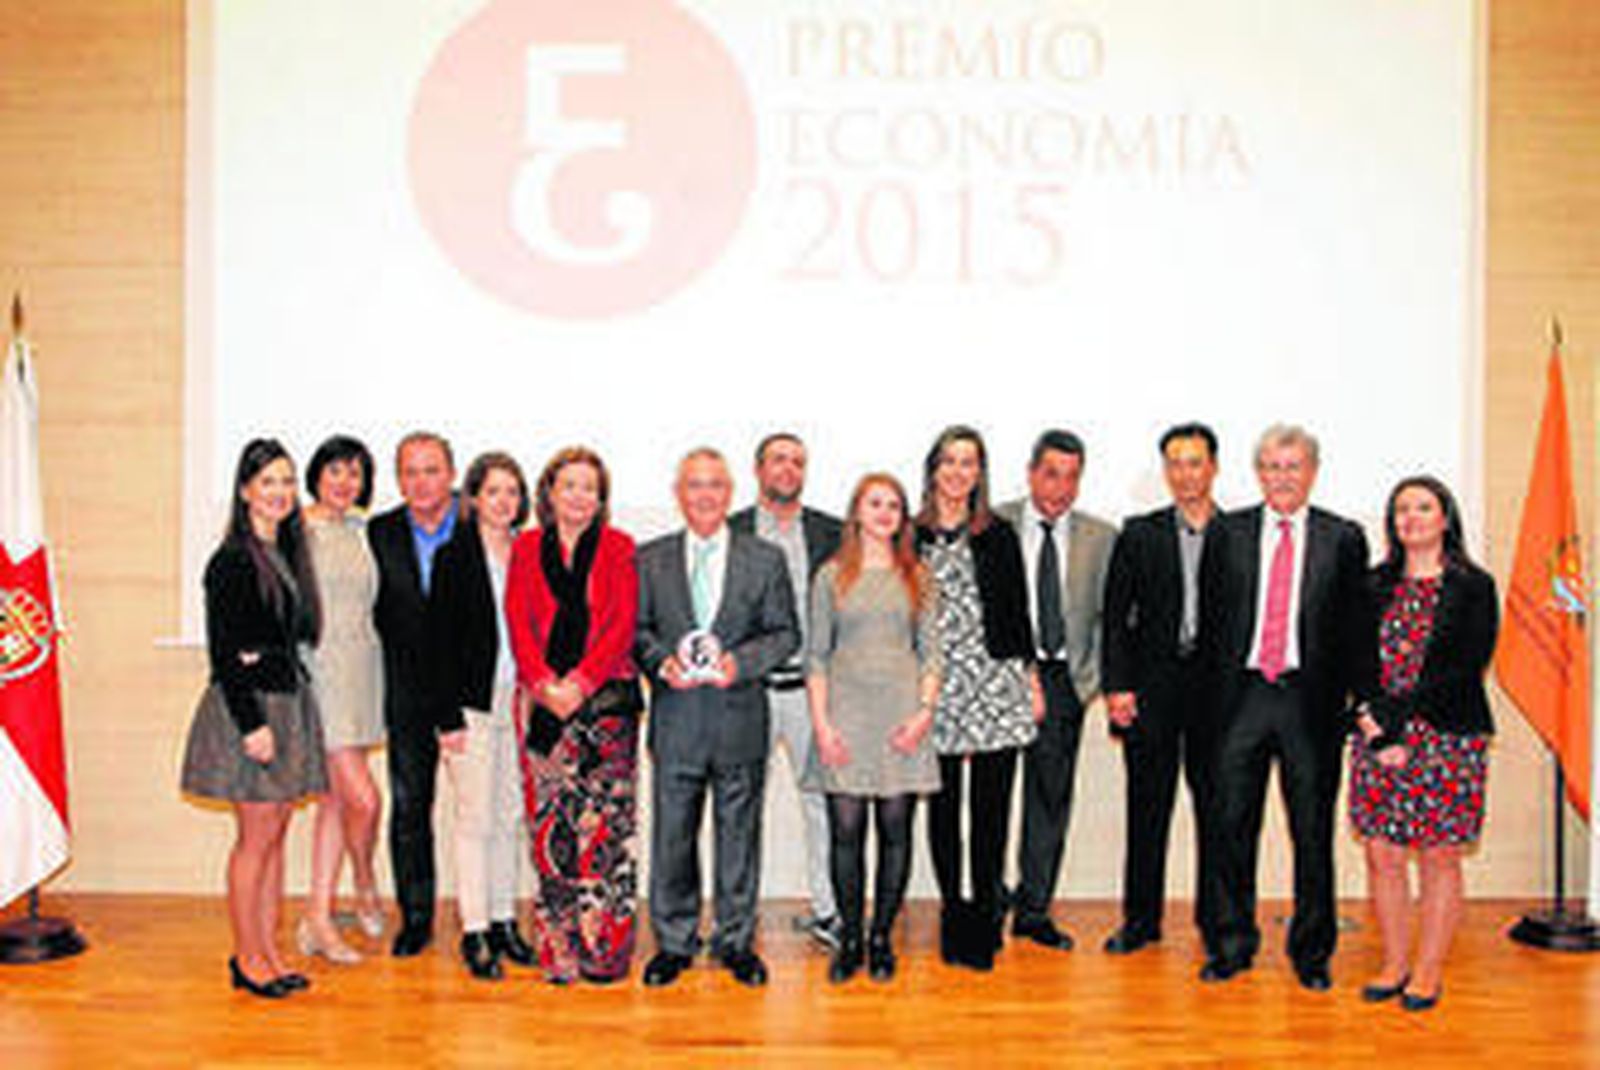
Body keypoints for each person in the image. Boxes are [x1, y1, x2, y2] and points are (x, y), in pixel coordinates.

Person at [1199, 424, 1372, 990]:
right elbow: (1211, 625)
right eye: (1272, 467)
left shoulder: (1342, 537)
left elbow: (1356, 631)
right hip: (1240, 698)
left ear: (1312, 471)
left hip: (1309, 703)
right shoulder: (1227, 532)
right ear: (1258, 473)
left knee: (1312, 832)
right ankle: (1230, 944)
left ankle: (1312, 952)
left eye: (1292, 466)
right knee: (1229, 827)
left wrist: (1361, 702)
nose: (1282, 478)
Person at [635, 448, 800, 988]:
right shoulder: (650, 558)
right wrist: (661, 662)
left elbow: (784, 634)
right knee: (673, 840)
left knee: (739, 841)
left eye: (714, 485)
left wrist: (741, 662)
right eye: (694, 486)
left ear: (729, 493)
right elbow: (636, 633)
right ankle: (674, 944)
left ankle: (735, 942)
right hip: (677, 719)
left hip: (739, 720)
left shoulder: (764, 559)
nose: (705, 495)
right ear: (679, 494)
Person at [181, 438, 326, 999]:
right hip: (252, 713)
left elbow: (288, 639)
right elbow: (225, 654)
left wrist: (263, 655)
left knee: (273, 839)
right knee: (255, 840)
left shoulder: (288, 552)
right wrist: (252, 725)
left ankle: (267, 951)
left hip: (288, 703)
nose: (280, 493)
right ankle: (248, 959)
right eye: (268, 482)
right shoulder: (232, 561)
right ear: (245, 491)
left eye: (288, 482)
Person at [1349, 476, 1497, 1013]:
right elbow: (1357, 662)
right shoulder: (1371, 585)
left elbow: (1462, 669)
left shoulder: (1473, 586)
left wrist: (1396, 722)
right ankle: (1394, 964)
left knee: (1439, 858)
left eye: (1423, 507)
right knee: (1382, 855)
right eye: (1401, 509)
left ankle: (1428, 971)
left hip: (1447, 738)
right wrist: (1377, 730)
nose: (1410, 517)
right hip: (1375, 737)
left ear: (1445, 518)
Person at [506, 447, 643, 985]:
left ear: (601, 498)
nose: (580, 496)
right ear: (550, 493)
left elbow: (620, 624)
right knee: (553, 830)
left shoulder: (619, 547)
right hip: (542, 705)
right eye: (570, 485)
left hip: (605, 706)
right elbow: (517, 620)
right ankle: (559, 949)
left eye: (590, 487)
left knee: (604, 833)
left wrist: (581, 683)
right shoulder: (525, 548)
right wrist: (544, 684)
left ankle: (604, 950)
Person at [914, 425, 1043, 970]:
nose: (958, 472)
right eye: (949, 461)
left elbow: (1018, 613)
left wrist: (1031, 681)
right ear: (933, 470)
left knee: (991, 809)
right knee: (943, 810)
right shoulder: (909, 533)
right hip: (933, 688)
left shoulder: (1000, 534)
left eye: (968, 463)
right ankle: (954, 912)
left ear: (980, 474)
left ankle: (987, 912)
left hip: (994, 684)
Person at [807, 473, 942, 983]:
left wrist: (923, 715)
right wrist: (821, 724)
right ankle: (851, 940)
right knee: (846, 831)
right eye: (875, 503)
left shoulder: (919, 576)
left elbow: (931, 653)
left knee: (894, 831)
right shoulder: (831, 575)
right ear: (857, 511)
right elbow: (816, 657)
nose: (885, 512)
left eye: (894, 505)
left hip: (902, 720)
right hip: (844, 717)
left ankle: (882, 937)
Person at [1100, 423, 1223, 956]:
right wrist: (1117, 687)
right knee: (1147, 809)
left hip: (1217, 694)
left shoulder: (1239, 533)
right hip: (1151, 689)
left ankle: (1217, 921)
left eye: (1194, 462)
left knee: (1218, 812)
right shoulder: (1139, 532)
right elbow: (1115, 619)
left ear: (1213, 467)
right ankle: (1141, 921)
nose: (1184, 473)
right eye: (1174, 463)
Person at [996, 430, 1115, 950]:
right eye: (1051, 473)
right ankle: (988, 896)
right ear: (1030, 473)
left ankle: (1034, 908)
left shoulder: (1101, 537)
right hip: (999, 677)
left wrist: (1091, 682)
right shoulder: (994, 525)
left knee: (1049, 798)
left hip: (1065, 680)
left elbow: (1113, 616)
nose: (1061, 487)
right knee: (991, 797)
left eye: (1071, 476)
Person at [424, 452, 537, 980]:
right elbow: (437, 644)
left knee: (510, 815)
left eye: (512, 492)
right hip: (470, 704)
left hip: (520, 702)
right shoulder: (453, 557)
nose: (504, 502)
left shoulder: (531, 553)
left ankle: (503, 921)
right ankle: (473, 929)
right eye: (493, 492)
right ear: (472, 499)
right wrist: (445, 717)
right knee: (475, 819)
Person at [730, 432, 844, 951]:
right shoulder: (729, 531)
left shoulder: (833, 532)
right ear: (758, 470)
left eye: (797, 461)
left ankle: (828, 911)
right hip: (748, 692)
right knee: (742, 806)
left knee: (821, 804)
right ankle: (739, 915)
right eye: (778, 459)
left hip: (811, 693)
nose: (788, 468)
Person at [295, 435, 385, 966]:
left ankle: (319, 917)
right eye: (335, 471)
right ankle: (365, 881)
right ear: (317, 475)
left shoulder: (361, 530)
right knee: (365, 799)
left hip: (363, 671)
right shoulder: (297, 531)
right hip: (319, 674)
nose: (344, 482)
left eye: (354, 473)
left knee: (334, 802)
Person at [369, 431, 458, 957]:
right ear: (397, 479)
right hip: (404, 691)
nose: (420, 482)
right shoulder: (378, 532)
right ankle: (417, 917)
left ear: (451, 474)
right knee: (409, 809)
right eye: (410, 472)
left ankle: (486, 921)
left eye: (431, 470)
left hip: (470, 694)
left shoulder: (480, 525)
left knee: (484, 815)